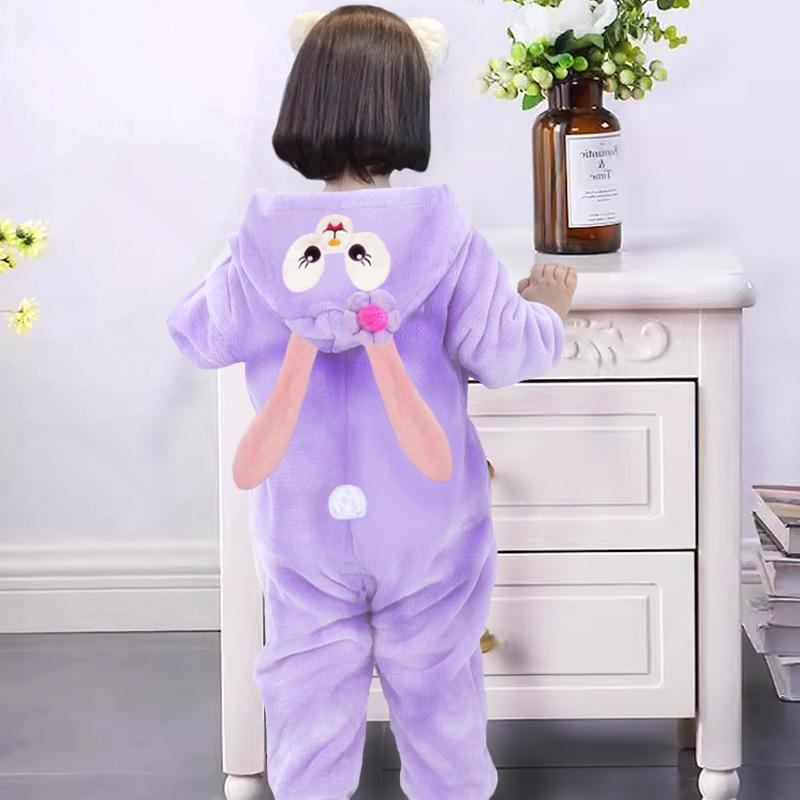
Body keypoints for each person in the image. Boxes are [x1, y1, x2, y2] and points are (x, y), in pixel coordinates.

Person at [168, 6, 577, 799]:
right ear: (407, 104)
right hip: (427, 520)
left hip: (304, 523)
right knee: (438, 684)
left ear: (306, 98)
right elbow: (505, 351)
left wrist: (246, 276)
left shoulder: (263, 240)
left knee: (308, 685)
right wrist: (548, 310)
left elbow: (198, 333)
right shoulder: (444, 234)